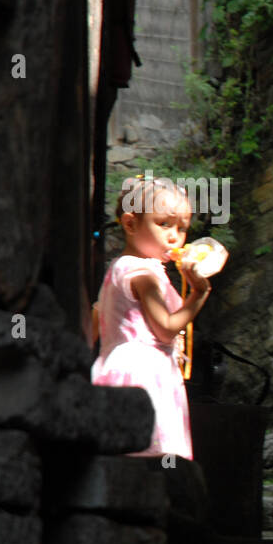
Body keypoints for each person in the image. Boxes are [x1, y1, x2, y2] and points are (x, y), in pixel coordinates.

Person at [91, 175, 212, 459]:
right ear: (131, 224)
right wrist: (199, 293)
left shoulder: (118, 269)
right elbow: (167, 329)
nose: (174, 236)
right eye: (164, 223)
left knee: (122, 459)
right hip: (145, 376)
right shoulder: (143, 274)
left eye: (182, 228)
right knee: (153, 459)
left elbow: (92, 323)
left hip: (115, 369)